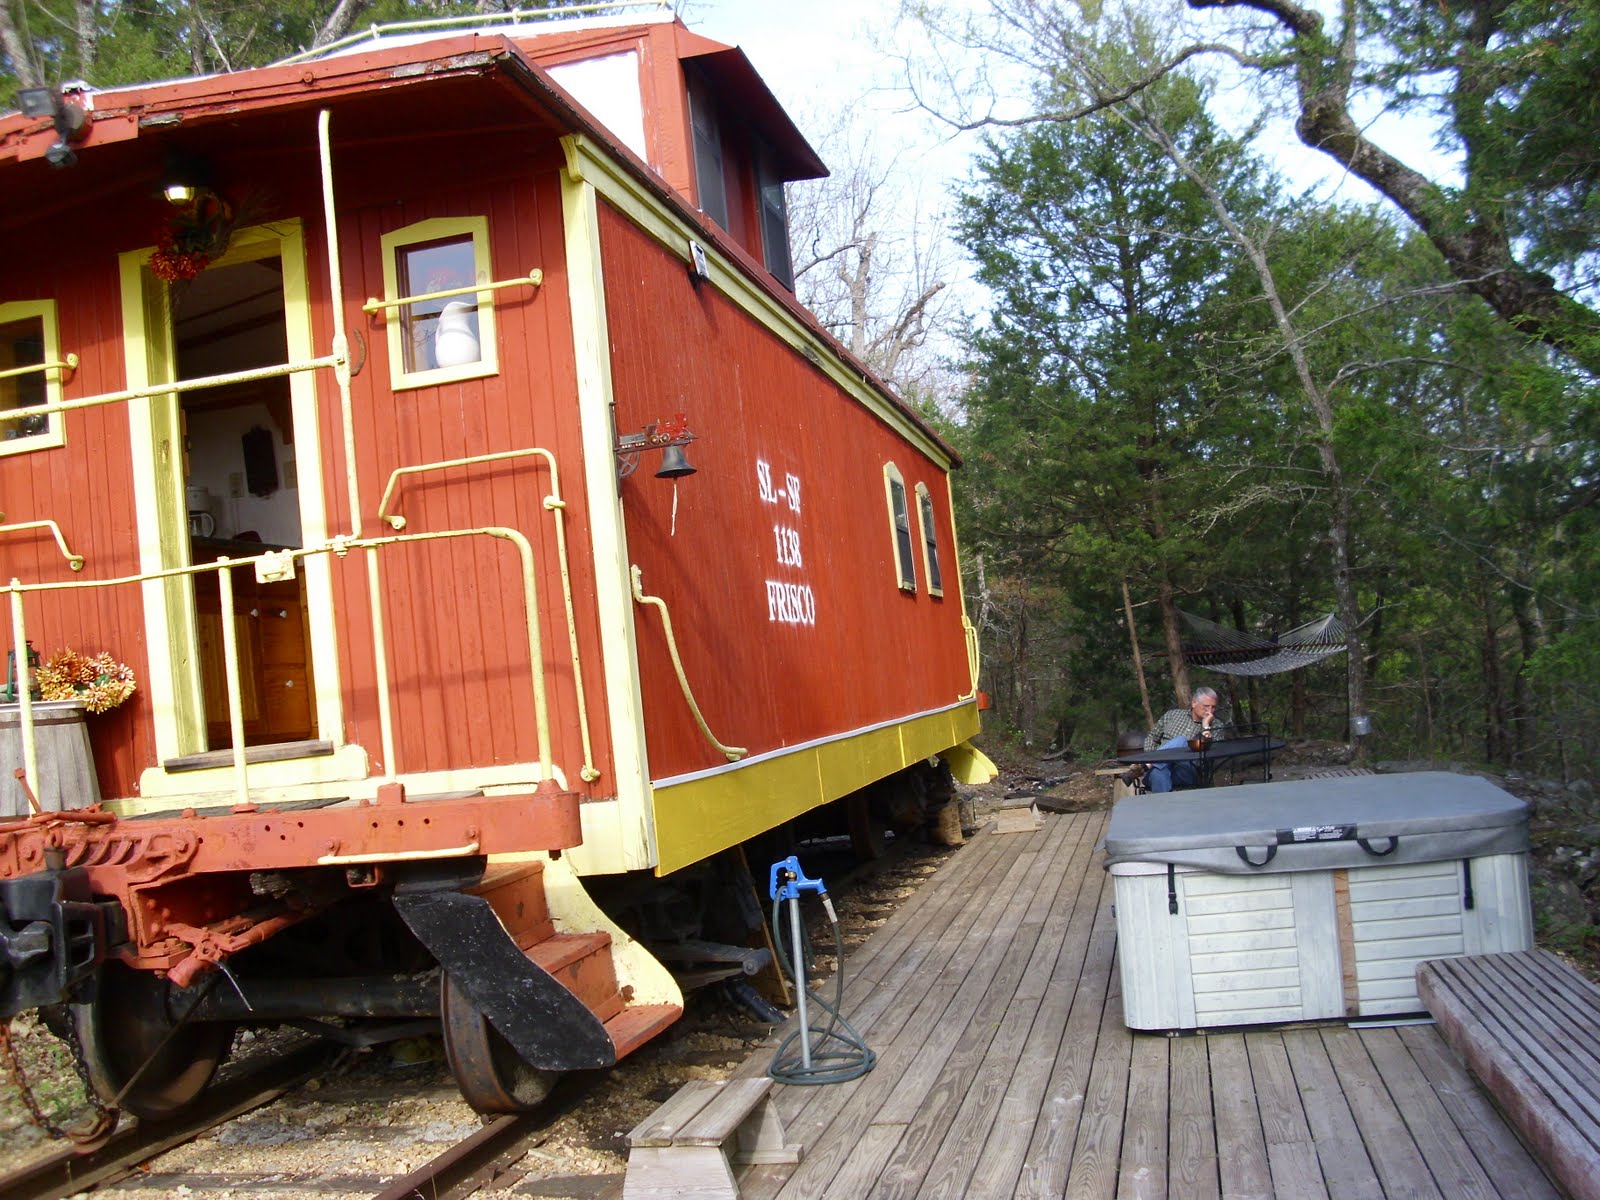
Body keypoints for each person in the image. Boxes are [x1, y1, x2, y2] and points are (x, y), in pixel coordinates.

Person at [1142, 687, 1229, 793]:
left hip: (1189, 771)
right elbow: (1152, 737)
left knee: (1181, 741)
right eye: (1206, 706)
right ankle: (1166, 808)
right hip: (1162, 769)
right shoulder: (1172, 715)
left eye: (1213, 707)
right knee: (1158, 772)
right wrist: (1153, 756)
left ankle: (1146, 765)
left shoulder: (1217, 726)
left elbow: (1211, 754)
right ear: (1194, 703)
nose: (1210, 711)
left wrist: (1206, 727)